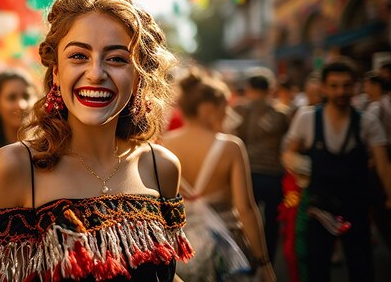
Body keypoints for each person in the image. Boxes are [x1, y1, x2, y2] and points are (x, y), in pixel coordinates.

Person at [0, 0, 194, 281]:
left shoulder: (162, 166)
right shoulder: (12, 169)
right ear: (56, 71)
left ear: (138, 77)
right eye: (79, 56)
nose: (96, 73)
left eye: (117, 59)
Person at [282, 59, 391, 282]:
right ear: (323, 87)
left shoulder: (367, 122)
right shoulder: (307, 118)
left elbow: (383, 165)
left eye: (346, 85)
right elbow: (288, 153)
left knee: (361, 268)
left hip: (356, 207)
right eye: (334, 85)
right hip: (318, 209)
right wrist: (299, 165)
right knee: (316, 269)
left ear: (355, 86)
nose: (340, 91)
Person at [163, 70, 276, 282]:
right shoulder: (230, 147)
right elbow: (246, 208)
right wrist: (264, 262)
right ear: (208, 109)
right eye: (225, 109)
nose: (228, 115)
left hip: (180, 248)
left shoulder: (162, 146)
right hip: (226, 247)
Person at [234, 74, 290, 264]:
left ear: (249, 89)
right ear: (269, 90)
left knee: (245, 216)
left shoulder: (238, 110)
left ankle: (249, 258)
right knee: (272, 220)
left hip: (246, 172)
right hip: (273, 174)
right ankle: (269, 260)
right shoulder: (281, 113)